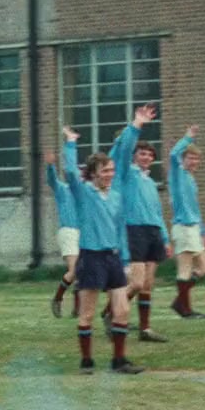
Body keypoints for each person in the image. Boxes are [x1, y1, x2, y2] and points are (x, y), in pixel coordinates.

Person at [61, 125, 144, 374]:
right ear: (93, 174)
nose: (110, 174)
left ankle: (119, 361)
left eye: (111, 170)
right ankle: (86, 362)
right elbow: (69, 172)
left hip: (113, 258)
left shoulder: (116, 196)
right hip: (91, 258)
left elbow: (119, 230)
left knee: (123, 309)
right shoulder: (84, 193)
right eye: (105, 171)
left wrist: (125, 259)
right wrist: (70, 143)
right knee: (87, 313)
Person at [111, 105, 172, 342]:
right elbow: (124, 148)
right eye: (142, 153)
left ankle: (145, 329)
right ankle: (112, 312)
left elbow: (157, 213)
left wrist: (165, 238)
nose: (146, 157)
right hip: (134, 230)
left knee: (147, 284)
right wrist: (137, 124)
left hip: (153, 232)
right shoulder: (126, 173)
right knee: (135, 283)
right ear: (135, 156)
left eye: (150, 154)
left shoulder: (150, 183)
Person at [167, 125, 205, 319]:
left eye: (196, 158)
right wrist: (187, 137)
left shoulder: (191, 180)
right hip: (183, 227)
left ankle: (180, 301)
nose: (194, 161)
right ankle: (185, 310)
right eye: (190, 158)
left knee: (203, 267)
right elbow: (172, 154)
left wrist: (203, 231)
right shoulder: (177, 174)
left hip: (194, 227)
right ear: (183, 159)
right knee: (185, 268)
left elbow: (195, 208)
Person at [45, 149, 81, 318]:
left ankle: (77, 309)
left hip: (84, 233)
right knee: (74, 270)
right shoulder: (62, 189)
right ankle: (58, 298)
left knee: (82, 272)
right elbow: (52, 180)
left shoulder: (85, 193)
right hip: (68, 231)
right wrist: (50, 166)